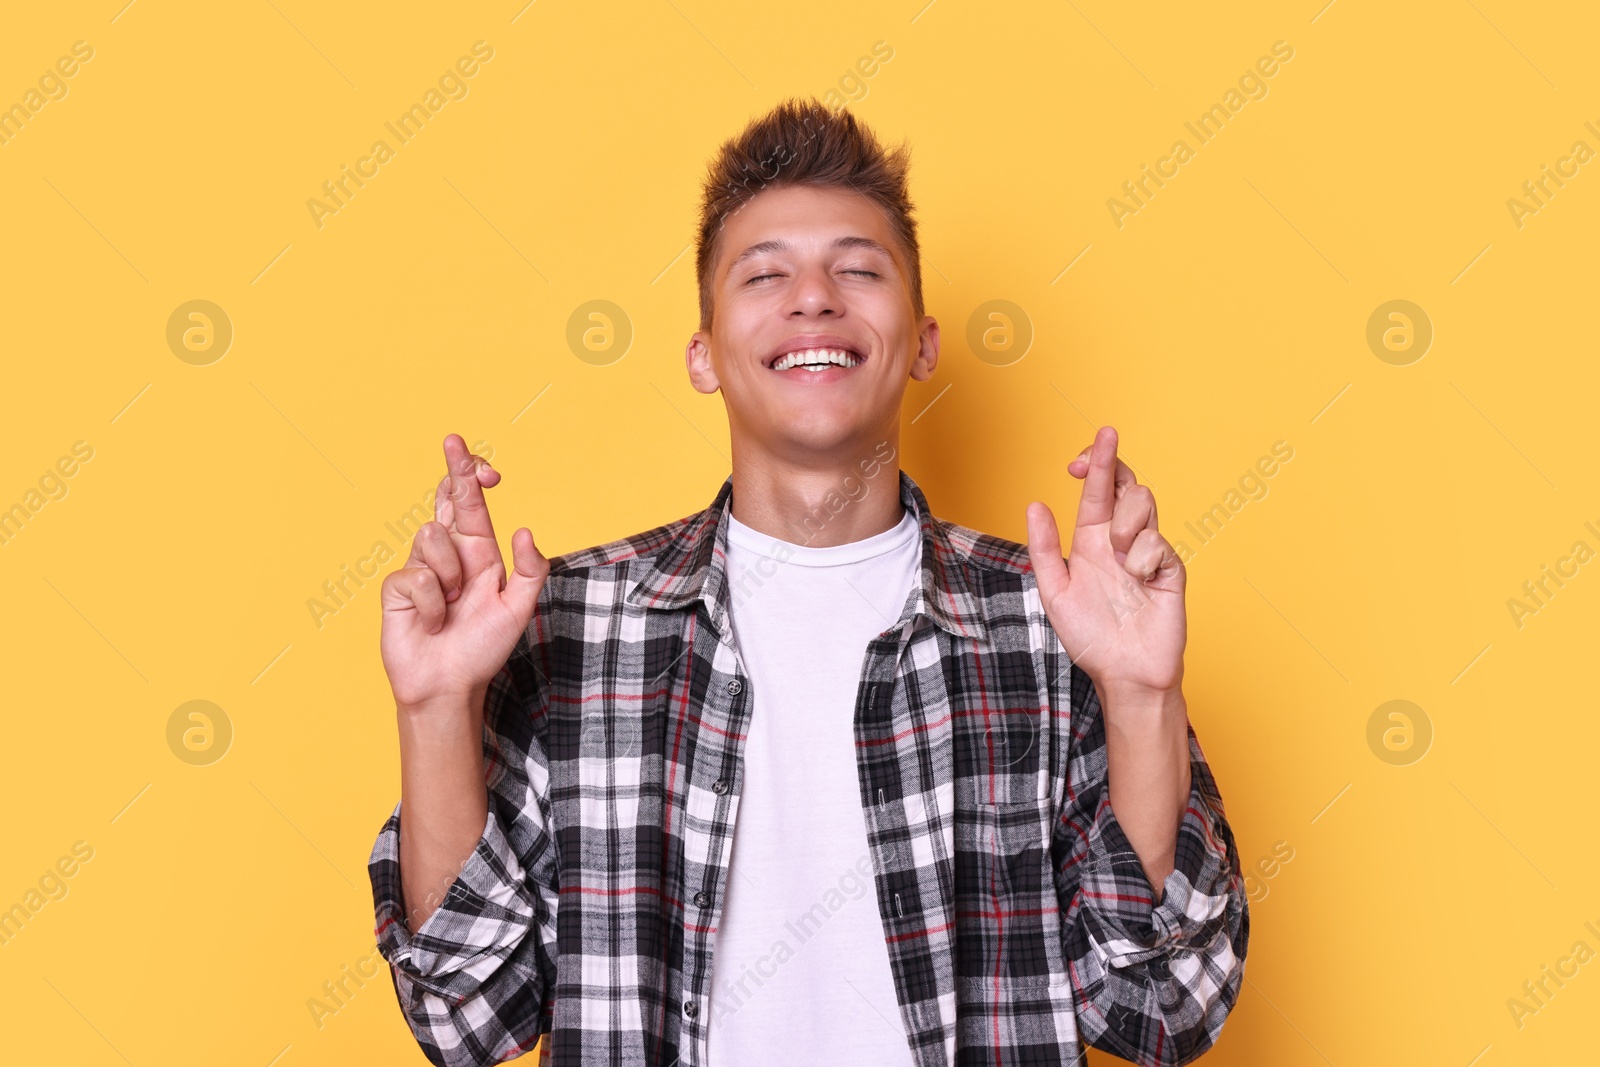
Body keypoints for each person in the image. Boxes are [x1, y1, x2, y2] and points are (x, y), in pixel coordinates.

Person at [368, 97, 1249, 1067]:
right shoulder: (566, 624)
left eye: (859, 268)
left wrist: (1139, 692)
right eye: (766, 272)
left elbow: (1164, 1006)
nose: (815, 296)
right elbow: (466, 1015)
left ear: (920, 340)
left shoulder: (1053, 624)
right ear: (702, 354)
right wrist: (437, 706)